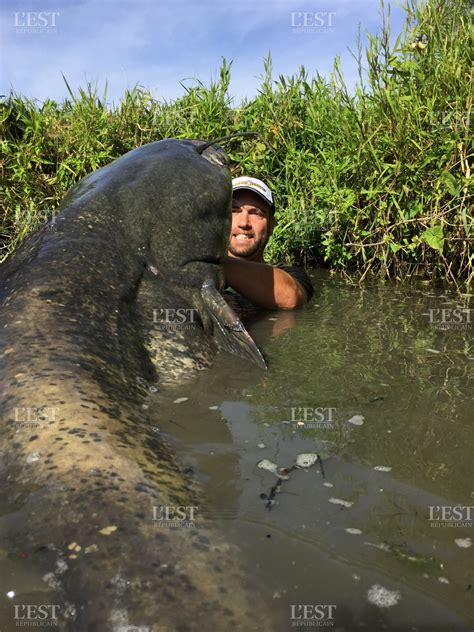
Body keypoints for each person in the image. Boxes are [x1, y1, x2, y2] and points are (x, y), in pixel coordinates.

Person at [223, 176, 313, 310]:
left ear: (272, 225)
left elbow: (291, 297)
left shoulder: (290, 275)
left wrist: (211, 263)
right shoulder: (197, 274)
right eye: (233, 211)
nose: (243, 223)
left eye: (256, 213)